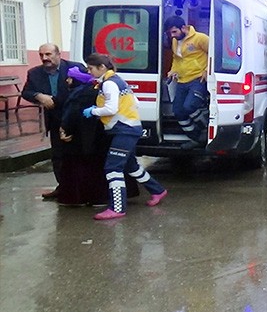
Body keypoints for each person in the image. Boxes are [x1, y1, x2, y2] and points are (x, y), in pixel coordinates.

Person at [83, 53, 167, 220]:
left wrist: (94, 111)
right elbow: (135, 102)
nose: (89, 72)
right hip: (130, 128)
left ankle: (117, 208)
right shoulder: (118, 81)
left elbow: (111, 108)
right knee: (131, 166)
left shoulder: (109, 84)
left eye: (90, 68)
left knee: (112, 168)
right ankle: (157, 190)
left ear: (101, 67)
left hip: (124, 130)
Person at [21, 43, 86, 200]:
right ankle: (63, 187)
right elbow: (26, 92)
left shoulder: (75, 68)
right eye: (41, 55)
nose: (45, 58)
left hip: (76, 120)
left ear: (58, 54)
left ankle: (83, 189)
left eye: (48, 54)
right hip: (54, 119)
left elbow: (87, 88)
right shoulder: (34, 73)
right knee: (58, 156)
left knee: (80, 155)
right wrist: (39, 96)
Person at [56, 67, 114, 206]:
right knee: (97, 168)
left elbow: (72, 114)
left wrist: (64, 128)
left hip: (78, 138)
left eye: (70, 78)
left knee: (75, 169)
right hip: (98, 137)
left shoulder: (78, 93)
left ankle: (76, 199)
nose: (67, 81)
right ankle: (98, 198)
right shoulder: (96, 90)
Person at [163, 16, 210, 150]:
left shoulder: (200, 38)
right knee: (178, 111)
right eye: (170, 33)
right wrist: (173, 70)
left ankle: (206, 128)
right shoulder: (174, 41)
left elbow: (214, 54)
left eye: (174, 32)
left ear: (183, 28)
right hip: (181, 80)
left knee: (190, 106)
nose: (172, 35)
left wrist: (207, 70)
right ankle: (196, 138)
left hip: (197, 79)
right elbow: (176, 59)